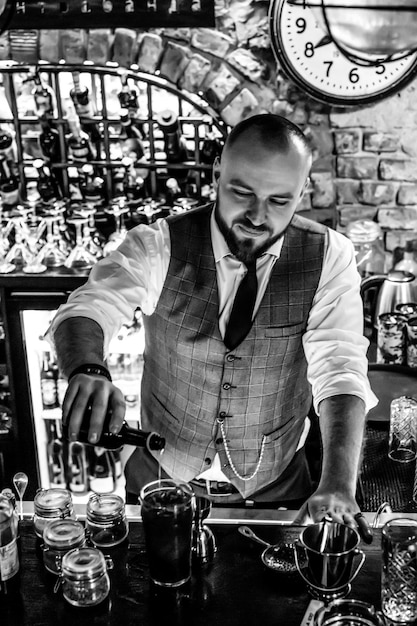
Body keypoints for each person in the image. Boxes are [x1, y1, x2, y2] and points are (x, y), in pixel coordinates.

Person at [50, 113, 376, 535]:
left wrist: (337, 483)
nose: (258, 216)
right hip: (159, 475)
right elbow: (90, 306)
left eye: (280, 200)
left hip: (278, 483)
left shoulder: (329, 257)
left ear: (302, 192)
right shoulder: (159, 244)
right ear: (217, 173)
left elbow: (342, 369)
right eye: (242, 191)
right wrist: (87, 368)